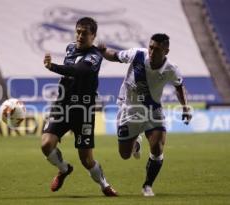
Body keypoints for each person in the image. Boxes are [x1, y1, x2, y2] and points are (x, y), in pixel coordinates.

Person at [98, 33, 192, 196]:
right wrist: (103, 50)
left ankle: (147, 185)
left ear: (166, 51)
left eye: (157, 49)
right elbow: (115, 56)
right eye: (151, 47)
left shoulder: (171, 69)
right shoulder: (137, 54)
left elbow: (179, 86)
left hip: (153, 111)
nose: (152, 51)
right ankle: (136, 144)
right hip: (129, 109)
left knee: (157, 147)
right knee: (125, 155)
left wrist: (185, 107)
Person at [42, 17, 117, 197]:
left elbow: (79, 71)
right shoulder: (69, 48)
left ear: (93, 36)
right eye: (78, 32)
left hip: (83, 111)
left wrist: (52, 66)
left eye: (85, 33)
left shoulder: (95, 56)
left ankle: (104, 185)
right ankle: (64, 169)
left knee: (87, 160)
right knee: (46, 144)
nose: (80, 36)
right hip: (62, 107)